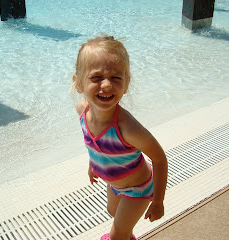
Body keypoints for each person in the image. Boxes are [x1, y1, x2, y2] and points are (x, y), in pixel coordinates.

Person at [72, 35, 168, 240]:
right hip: (114, 183)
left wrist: (158, 201)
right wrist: (93, 164)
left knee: (118, 233)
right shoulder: (82, 111)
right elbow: (93, 143)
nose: (106, 85)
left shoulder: (128, 129)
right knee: (114, 214)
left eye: (116, 78)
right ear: (79, 83)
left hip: (139, 188)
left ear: (126, 84)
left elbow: (159, 159)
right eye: (96, 77)